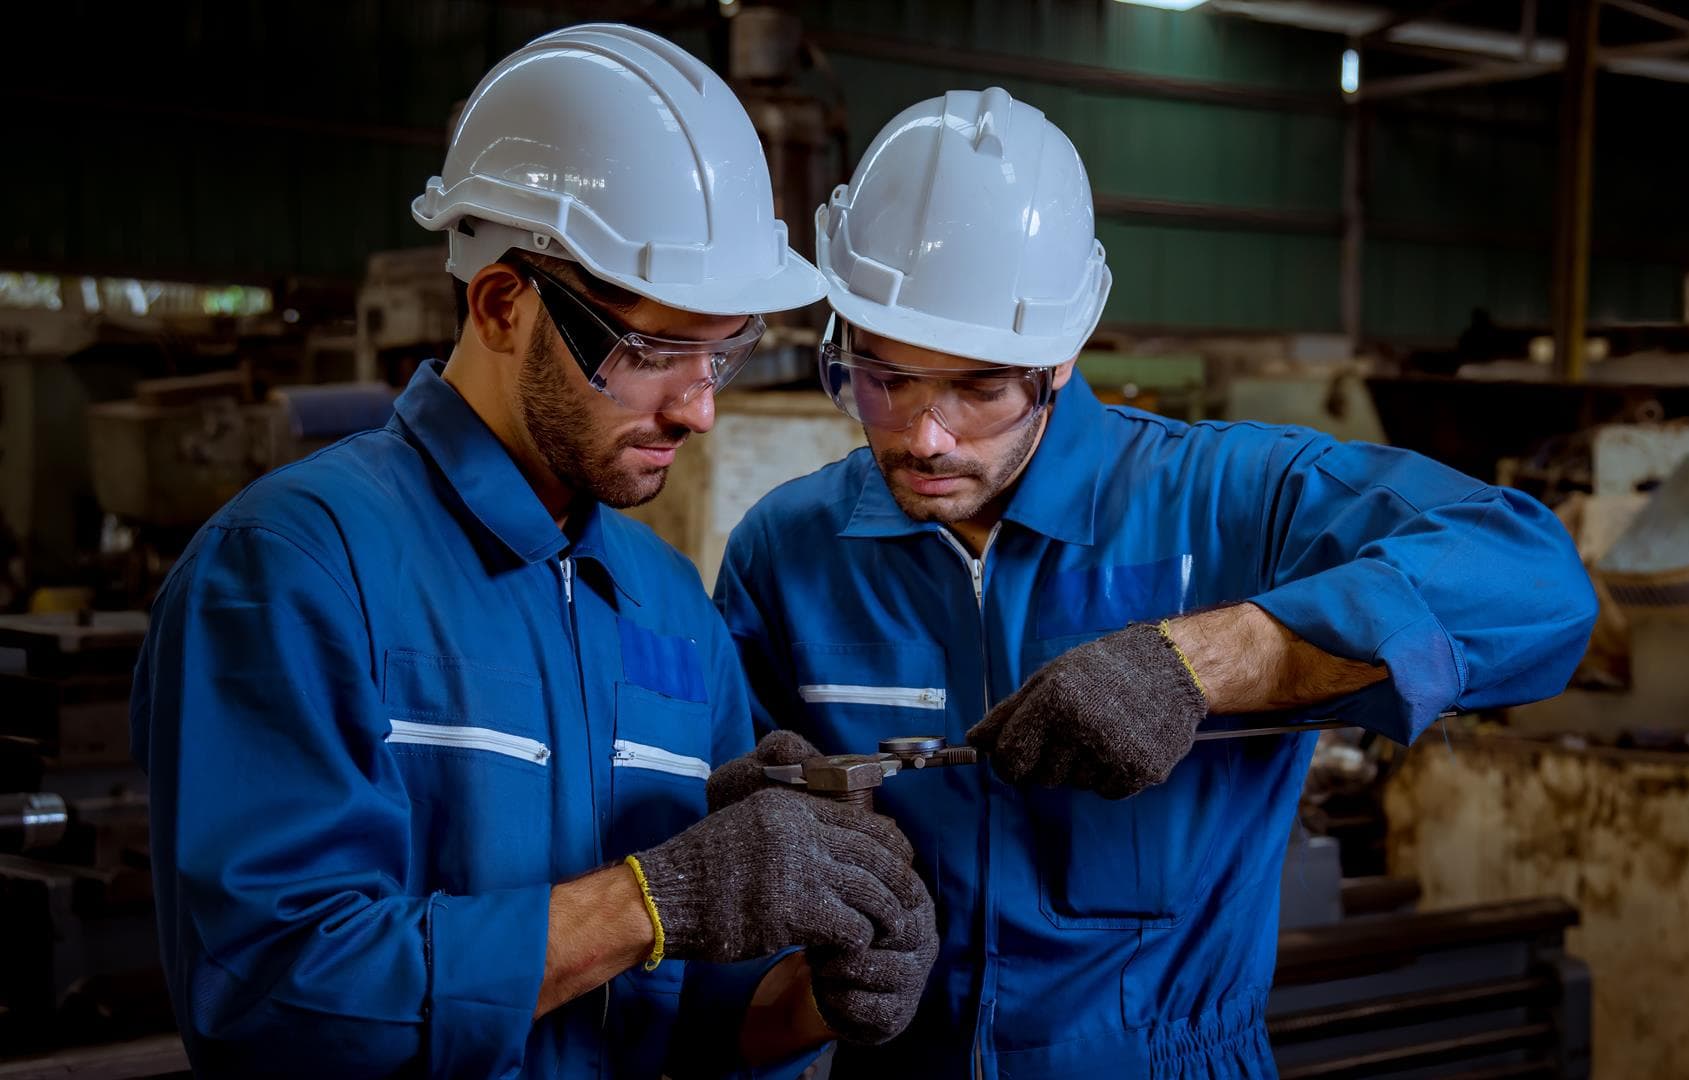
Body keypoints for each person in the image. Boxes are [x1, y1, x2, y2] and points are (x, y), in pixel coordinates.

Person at [711, 87, 1600, 1078]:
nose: (924, 437)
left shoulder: (1229, 503)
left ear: (1060, 356)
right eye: (882, 379)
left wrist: (1207, 662)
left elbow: (1535, 584)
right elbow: (729, 929)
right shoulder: (786, 552)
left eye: (979, 387)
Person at [131, 25, 934, 1078]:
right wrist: (651, 901)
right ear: (504, 304)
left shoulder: (668, 609)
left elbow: (696, 1023)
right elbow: (278, 997)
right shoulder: (292, 572)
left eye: (724, 352)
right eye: (654, 350)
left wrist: (818, 991)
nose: (699, 409)